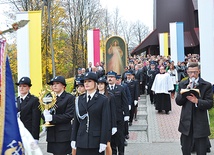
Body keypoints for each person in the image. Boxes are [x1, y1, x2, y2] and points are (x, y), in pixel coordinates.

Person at [175, 62, 213, 155]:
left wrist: (197, 101)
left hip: (200, 122)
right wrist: (185, 91)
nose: (192, 74)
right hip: (186, 122)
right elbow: (178, 102)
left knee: (201, 150)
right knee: (185, 149)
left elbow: (210, 103)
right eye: (190, 72)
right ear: (187, 72)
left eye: (195, 72)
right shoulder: (183, 84)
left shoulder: (206, 85)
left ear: (199, 71)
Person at [71, 72, 109, 155]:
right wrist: (73, 138)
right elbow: (76, 121)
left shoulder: (103, 100)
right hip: (81, 140)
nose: (86, 84)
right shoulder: (79, 99)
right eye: (85, 82)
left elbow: (105, 122)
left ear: (95, 83)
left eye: (89, 81)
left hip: (95, 141)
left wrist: (103, 141)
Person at [43, 76, 75, 155]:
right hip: (52, 134)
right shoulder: (48, 97)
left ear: (63, 86)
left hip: (63, 134)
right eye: (53, 84)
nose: (54, 85)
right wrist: (44, 115)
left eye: (57, 83)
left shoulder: (69, 98)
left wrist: (52, 118)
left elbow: (69, 115)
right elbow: (44, 111)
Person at [107, 71, 129, 155]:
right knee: (111, 138)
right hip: (109, 117)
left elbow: (125, 102)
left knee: (120, 137)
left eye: (112, 77)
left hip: (119, 116)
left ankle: (121, 152)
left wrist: (126, 114)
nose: (110, 78)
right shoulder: (106, 89)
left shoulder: (120, 88)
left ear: (116, 79)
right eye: (109, 77)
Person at [16, 76, 41, 143]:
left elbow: (36, 120)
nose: (21, 88)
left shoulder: (34, 100)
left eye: (24, 86)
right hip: (17, 133)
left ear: (29, 87)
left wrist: (35, 137)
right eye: (20, 86)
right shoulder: (16, 100)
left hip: (28, 133)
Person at [97, 76, 117, 155]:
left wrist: (114, 126)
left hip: (107, 123)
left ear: (105, 85)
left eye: (101, 84)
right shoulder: (95, 95)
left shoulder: (110, 96)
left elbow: (113, 111)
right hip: (98, 123)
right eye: (98, 84)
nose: (100, 86)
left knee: (107, 144)